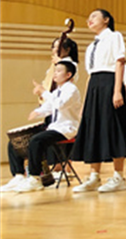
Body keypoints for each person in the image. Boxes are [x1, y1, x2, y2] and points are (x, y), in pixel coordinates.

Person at [71, 9, 126, 193]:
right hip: (95, 87)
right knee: (92, 130)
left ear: (106, 20)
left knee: (112, 128)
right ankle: (94, 177)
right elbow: (90, 75)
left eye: (94, 16)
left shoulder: (115, 36)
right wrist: (85, 102)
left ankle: (119, 177)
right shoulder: (91, 46)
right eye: (88, 17)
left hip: (109, 83)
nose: (89, 20)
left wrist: (117, 91)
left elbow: (119, 63)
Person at [2, 60, 81, 193]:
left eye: (59, 71)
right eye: (55, 71)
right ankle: (19, 176)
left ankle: (35, 178)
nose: (55, 74)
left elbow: (60, 104)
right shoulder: (57, 91)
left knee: (36, 140)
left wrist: (44, 92)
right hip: (54, 127)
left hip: (66, 129)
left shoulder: (71, 89)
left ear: (68, 75)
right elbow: (50, 107)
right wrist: (37, 112)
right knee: (15, 141)